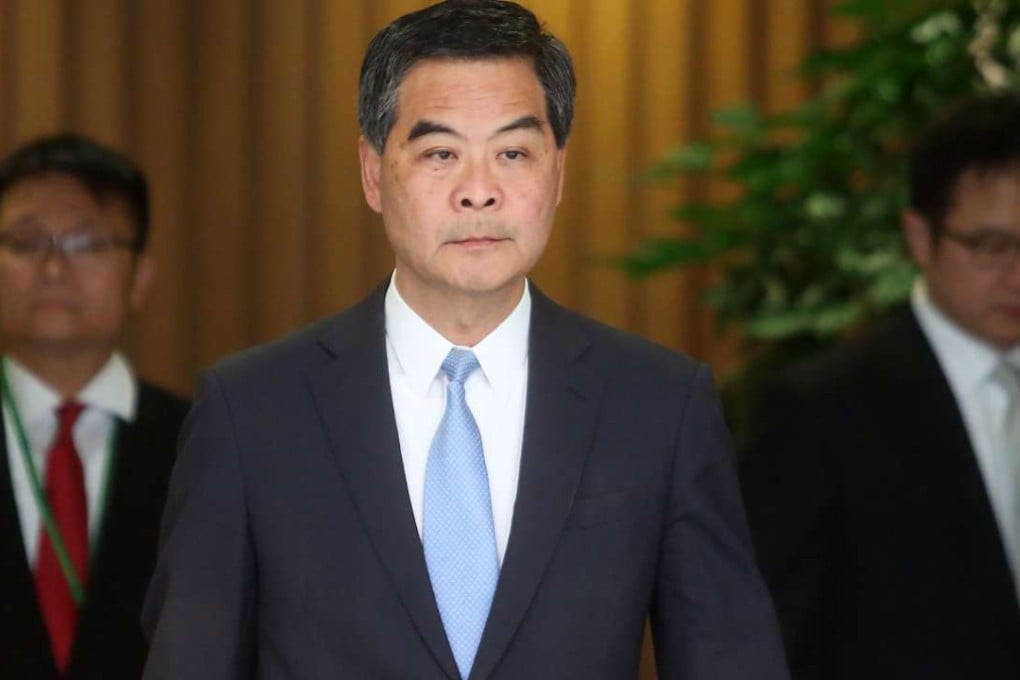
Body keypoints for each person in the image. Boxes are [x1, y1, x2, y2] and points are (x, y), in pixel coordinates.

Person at [142, 2, 788, 678]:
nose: (479, 192)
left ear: (557, 171)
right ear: (372, 171)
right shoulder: (252, 412)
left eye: (513, 153)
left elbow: (729, 657)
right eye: (440, 153)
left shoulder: (659, 405)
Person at [740, 92, 1020, 679]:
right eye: (993, 247)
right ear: (920, 238)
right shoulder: (820, 410)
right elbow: (770, 647)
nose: (1017, 275)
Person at [0, 133, 189, 679]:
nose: (54, 269)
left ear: (140, 277)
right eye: (27, 242)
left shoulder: (203, 444)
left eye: (86, 244)